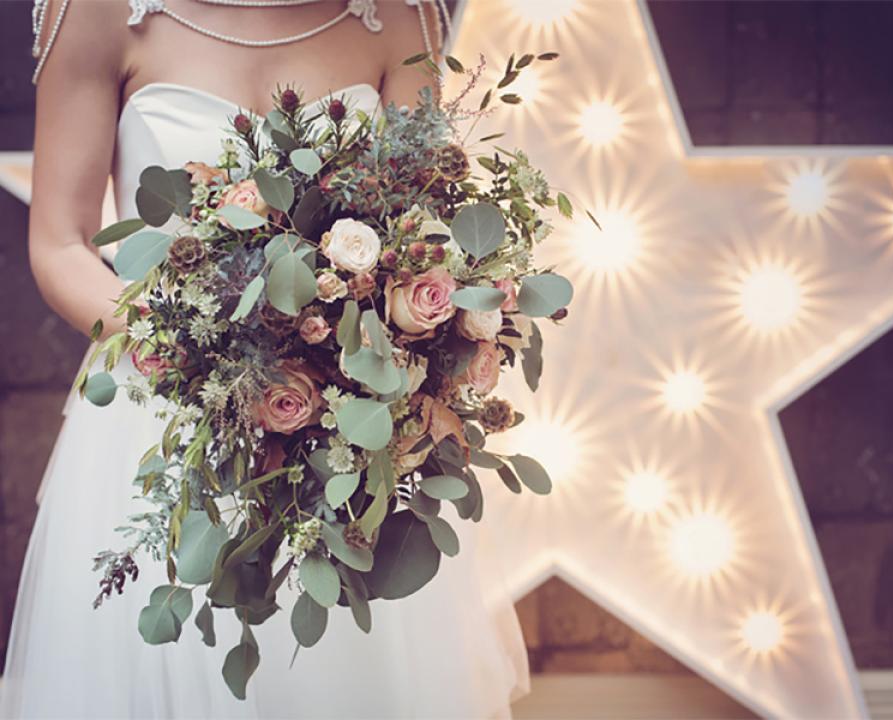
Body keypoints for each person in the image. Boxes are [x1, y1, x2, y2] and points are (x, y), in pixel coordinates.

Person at [0, 1, 529, 717]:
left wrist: (386, 345)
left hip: (339, 437)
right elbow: (59, 241)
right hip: (161, 419)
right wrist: (183, 349)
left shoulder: (398, 16)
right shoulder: (99, 12)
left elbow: (424, 233)